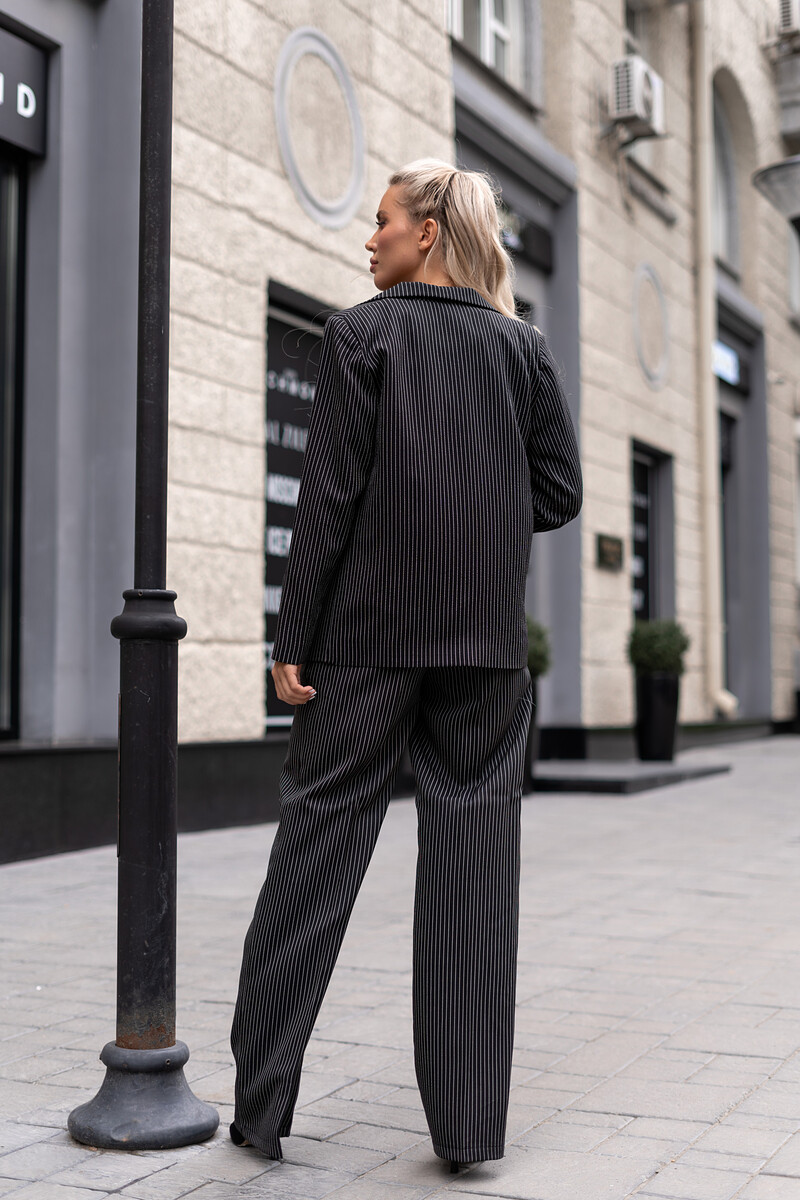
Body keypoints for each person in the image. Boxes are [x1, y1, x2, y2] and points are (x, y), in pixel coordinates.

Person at [229, 158, 582, 1171]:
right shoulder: (522, 349)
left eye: (381, 219)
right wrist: (479, 509)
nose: (369, 236)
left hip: (366, 643)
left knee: (314, 856)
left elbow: (329, 498)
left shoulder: (361, 334)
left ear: (427, 231)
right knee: (475, 877)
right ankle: (467, 1134)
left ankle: (260, 1112)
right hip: (484, 648)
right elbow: (557, 492)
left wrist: (291, 636)